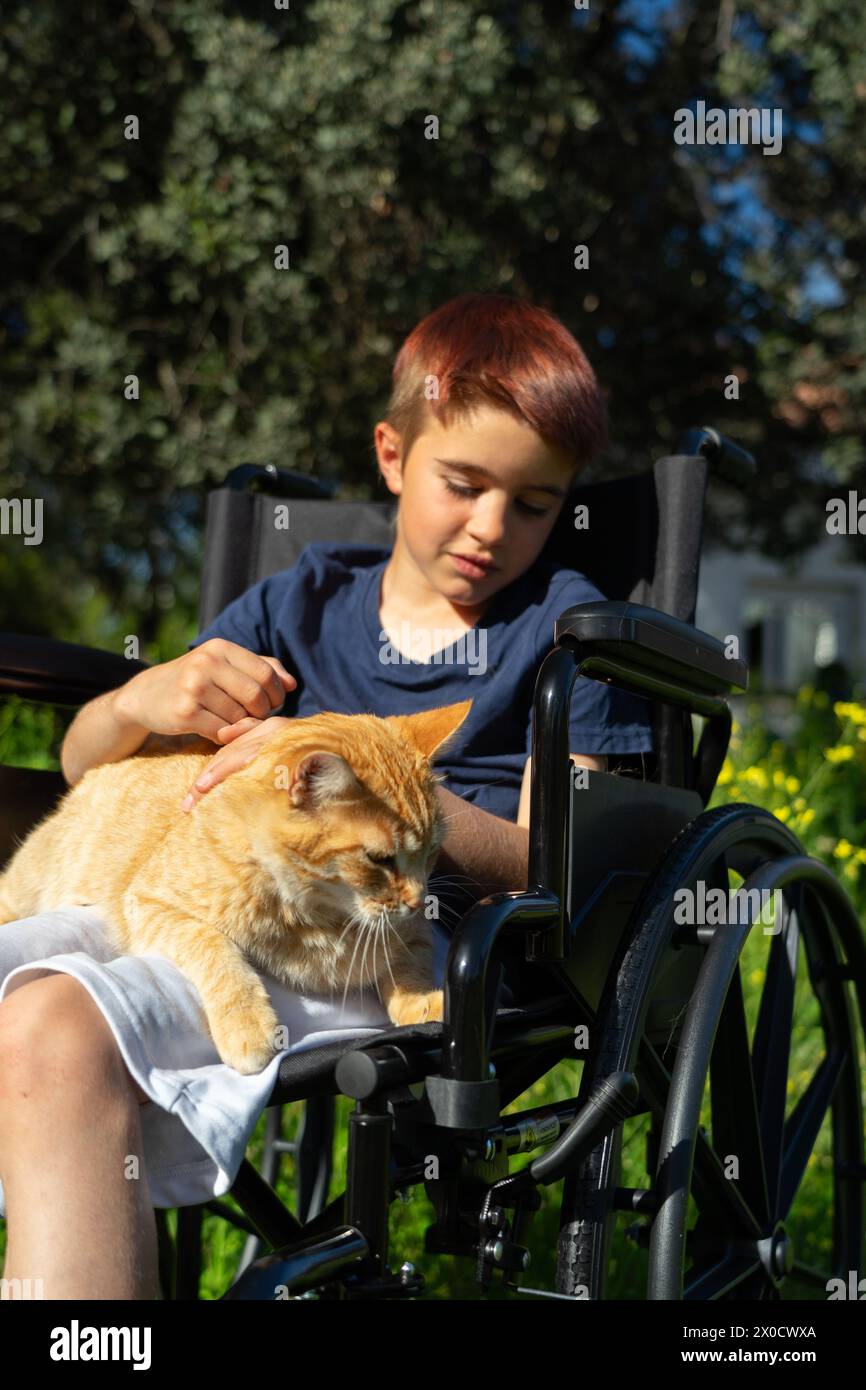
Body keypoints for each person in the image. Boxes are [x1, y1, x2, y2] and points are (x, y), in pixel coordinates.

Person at [0, 293, 653, 1299]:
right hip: (205, 895)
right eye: (463, 482)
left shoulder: (571, 631)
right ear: (392, 455)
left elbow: (566, 860)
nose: (491, 528)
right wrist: (137, 697)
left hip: (411, 946)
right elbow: (87, 766)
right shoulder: (298, 600)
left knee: (55, 1027)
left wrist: (409, 824)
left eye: (532, 504)